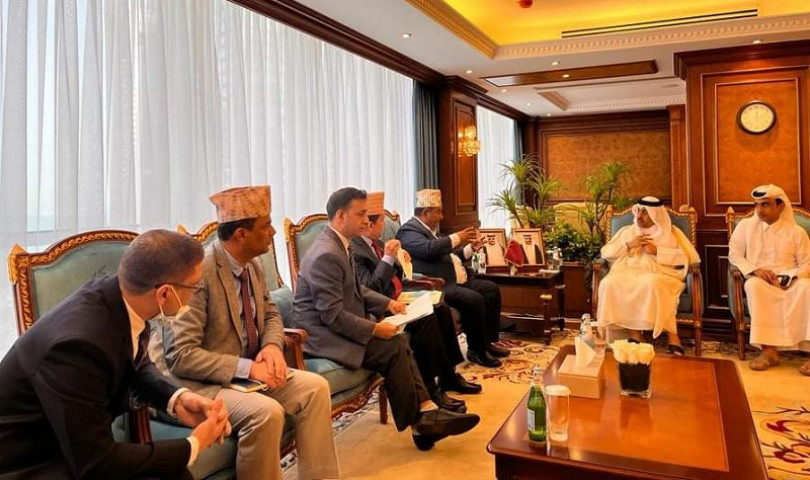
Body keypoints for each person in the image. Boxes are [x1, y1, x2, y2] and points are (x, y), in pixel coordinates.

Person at [0, 230, 231, 479]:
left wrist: (177, 398)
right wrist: (193, 444)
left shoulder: (118, 298)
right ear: (164, 293)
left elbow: (136, 363)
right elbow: (96, 463)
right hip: (31, 463)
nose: (196, 293)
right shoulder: (77, 347)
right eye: (194, 286)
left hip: (72, 444)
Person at [160, 186, 339, 480]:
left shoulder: (252, 265)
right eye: (266, 226)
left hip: (248, 375)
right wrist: (249, 368)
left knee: (315, 388)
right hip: (203, 384)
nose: (273, 232)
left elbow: (270, 313)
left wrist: (271, 346)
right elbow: (181, 355)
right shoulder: (199, 272)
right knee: (266, 412)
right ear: (241, 235)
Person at [294, 187, 480, 451]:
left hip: (338, 324)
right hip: (323, 337)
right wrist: (374, 328)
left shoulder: (339, 244)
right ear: (340, 215)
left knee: (399, 341)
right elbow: (332, 315)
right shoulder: (326, 253)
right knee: (392, 346)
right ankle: (422, 422)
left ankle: (426, 412)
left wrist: (388, 303)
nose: (365, 220)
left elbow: (357, 290)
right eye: (360, 214)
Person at [350, 191, 482, 406]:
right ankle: (430, 389)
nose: (385, 226)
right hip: (381, 307)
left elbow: (396, 277)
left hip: (399, 296)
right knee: (426, 318)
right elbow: (370, 288)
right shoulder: (355, 250)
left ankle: (449, 375)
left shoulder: (378, 244)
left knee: (440, 307)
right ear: (369, 225)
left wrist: (400, 262)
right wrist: (388, 259)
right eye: (382, 221)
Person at [396, 189, 509, 368]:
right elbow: (428, 250)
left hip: (456, 279)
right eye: (438, 212)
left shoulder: (432, 231)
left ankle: (486, 343)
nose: (442, 217)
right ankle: (476, 351)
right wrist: (457, 237)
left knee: (490, 289)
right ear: (425, 212)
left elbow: (452, 255)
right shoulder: (408, 231)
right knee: (473, 299)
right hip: (438, 284)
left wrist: (471, 248)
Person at [596, 196, 700, 355]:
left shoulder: (670, 233)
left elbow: (687, 258)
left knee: (653, 283)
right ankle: (635, 335)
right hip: (628, 272)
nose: (639, 215)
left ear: (655, 214)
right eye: (638, 211)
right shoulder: (628, 231)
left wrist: (658, 251)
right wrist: (629, 245)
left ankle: (673, 338)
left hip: (660, 273)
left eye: (645, 212)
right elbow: (606, 253)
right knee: (609, 283)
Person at [728, 184, 810, 374]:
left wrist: (789, 278)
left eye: (765, 205)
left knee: (806, 287)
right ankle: (769, 352)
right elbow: (734, 255)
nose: (759, 210)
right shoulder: (745, 227)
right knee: (752, 286)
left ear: (780, 206)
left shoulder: (796, 232)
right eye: (756, 205)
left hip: (791, 281)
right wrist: (756, 270)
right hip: (761, 280)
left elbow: (807, 264)